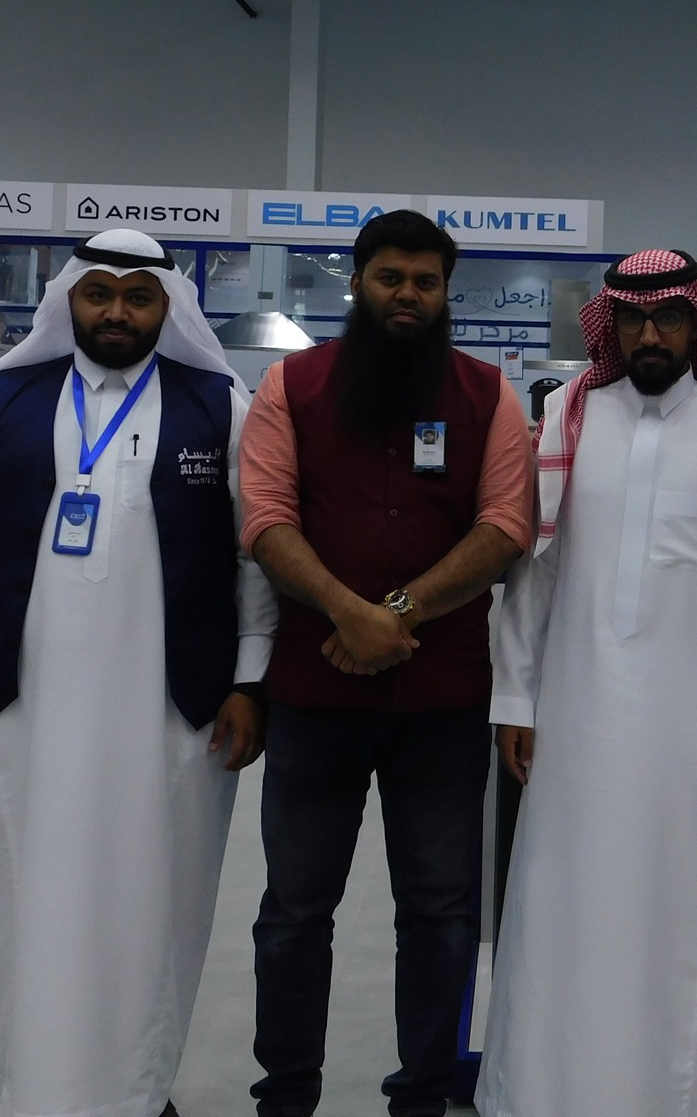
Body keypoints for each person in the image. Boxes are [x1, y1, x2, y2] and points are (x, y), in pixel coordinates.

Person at [0, 229, 274, 1117]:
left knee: (156, 900)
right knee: (8, 899)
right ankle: (14, 1089)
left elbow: (253, 557)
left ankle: (137, 1092)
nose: (117, 312)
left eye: (138, 297)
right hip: (11, 708)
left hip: (168, 714)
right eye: (99, 294)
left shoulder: (221, 406)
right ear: (69, 300)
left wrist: (250, 679)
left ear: (168, 308)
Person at [239, 208, 535, 1117]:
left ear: (447, 292)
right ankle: (286, 1097)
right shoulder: (290, 386)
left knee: (440, 913)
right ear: (358, 282)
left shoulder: (490, 394)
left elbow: (507, 526)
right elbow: (264, 517)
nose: (408, 295)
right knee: (294, 912)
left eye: (426, 282)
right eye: (390, 278)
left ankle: (423, 1099)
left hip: (443, 703)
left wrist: (394, 615)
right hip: (314, 694)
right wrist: (345, 611)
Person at [479, 248, 697, 1117]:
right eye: (633, 320)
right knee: (566, 910)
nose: (650, 335)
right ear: (611, 327)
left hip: (696, 739)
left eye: (668, 318)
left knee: (681, 922)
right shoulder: (569, 421)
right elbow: (533, 574)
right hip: (574, 722)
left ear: (696, 325)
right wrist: (515, 697)